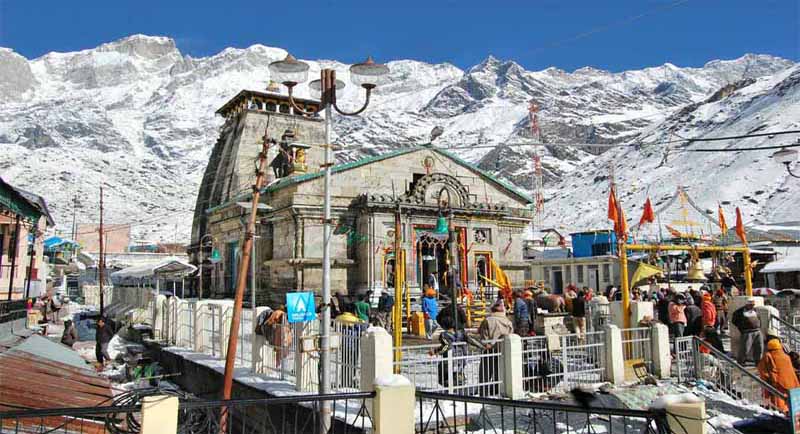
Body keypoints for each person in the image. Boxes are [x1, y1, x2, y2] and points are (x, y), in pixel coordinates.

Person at [429, 308, 484, 390]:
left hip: (449, 359)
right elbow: (471, 340)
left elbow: (446, 346)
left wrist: (435, 351)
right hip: (462, 357)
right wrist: (481, 346)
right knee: (458, 372)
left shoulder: (444, 335)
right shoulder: (460, 333)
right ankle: (458, 383)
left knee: (443, 375)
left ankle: (452, 388)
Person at [477, 299, 513, 396]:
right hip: (503, 349)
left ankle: (483, 392)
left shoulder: (488, 320)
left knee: (485, 372)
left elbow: (483, 335)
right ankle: (497, 390)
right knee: (500, 371)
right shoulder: (508, 321)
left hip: (489, 349)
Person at [758, 336, 800, 412]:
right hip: (792, 386)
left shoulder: (768, 357)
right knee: (793, 409)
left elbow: (764, 375)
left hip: (778, 387)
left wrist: (766, 395)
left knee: (781, 410)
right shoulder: (786, 357)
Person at [732, 298, 764, 365]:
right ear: (747, 304)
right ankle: (741, 362)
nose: (752, 306)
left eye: (753, 305)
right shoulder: (740, 312)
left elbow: (759, 318)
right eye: (751, 305)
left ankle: (758, 362)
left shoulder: (755, 310)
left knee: (759, 347)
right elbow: (734, 321)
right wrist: (742, 327)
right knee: (745, 348)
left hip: (757, 331)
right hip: (747, 332)